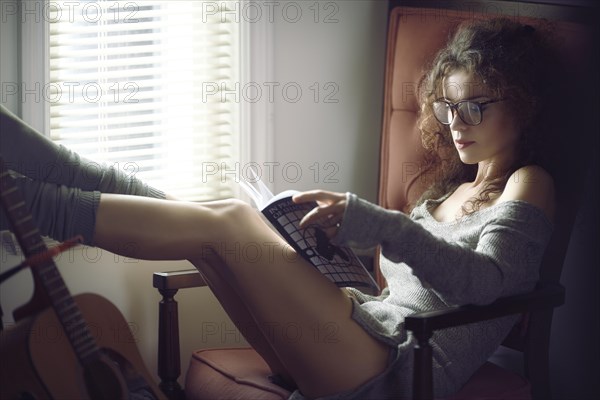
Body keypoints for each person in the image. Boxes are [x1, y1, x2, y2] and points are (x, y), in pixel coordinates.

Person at [0, 17, 559, 399]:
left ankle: (24, 207)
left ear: (527, 106)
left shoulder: (529, 183)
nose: (457, 123)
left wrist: (375, 222)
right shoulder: (444, 191)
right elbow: (403, 280)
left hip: (396, 371)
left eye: (476, 107)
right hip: (355, 335)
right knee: (210, 220)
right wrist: (328, 247)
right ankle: (42, 167)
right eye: (448, 107)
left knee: (227, 224)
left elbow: (488, 286)